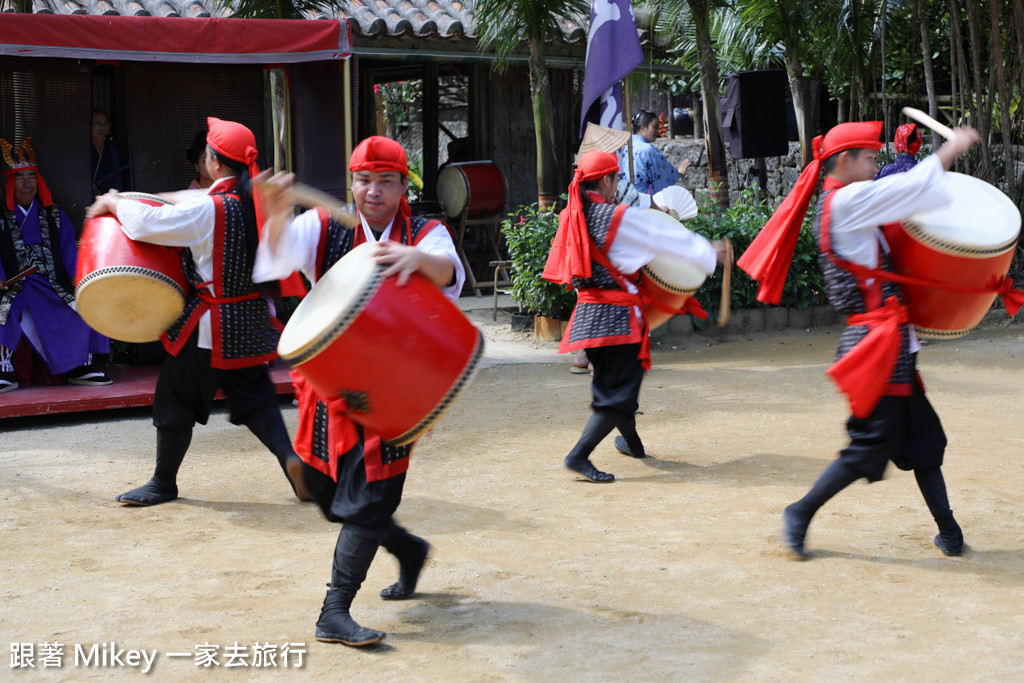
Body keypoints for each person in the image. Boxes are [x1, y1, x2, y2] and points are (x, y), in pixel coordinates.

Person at [735, 121, 982, 560]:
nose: (876, 165)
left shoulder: (846, 200)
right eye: (869, 158)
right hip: (876, 346)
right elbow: (910, 189)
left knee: (923, 438)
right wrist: (953, 148)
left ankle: (950, 532)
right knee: (872, 444)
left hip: (890, 342)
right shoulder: (848, 201)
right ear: (844, 161)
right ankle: (800, 511)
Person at [253, 135, 464, 647]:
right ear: (352, 183)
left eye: (386, 181)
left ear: (401, 185)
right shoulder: (322, 226)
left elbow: (450, 271)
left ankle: (334, 612)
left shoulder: (424, 231)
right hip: (330, 385)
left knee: (371, 496)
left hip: (396, 390)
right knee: (329, 496)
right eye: (364, 180)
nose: (373, 191)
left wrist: (414, 258)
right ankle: (407, 549)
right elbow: (274, 263)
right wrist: (275, 212)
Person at [85, 117, 310, 507]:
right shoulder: (253, 202)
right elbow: (178, 200)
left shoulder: (210, 209)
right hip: (250, 322)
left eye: (206, 153)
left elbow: (148, 225)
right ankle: (291, 460)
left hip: (209, 325)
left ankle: (162, 482)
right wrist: (135, 197)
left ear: (215, 163)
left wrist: (115, 203)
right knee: (256, 400)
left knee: (173, 401)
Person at [542, 150, 727, 483]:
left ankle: (633, 443)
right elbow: (662, 237)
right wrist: (709, 251)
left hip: (588, 318)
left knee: (615, 388)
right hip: (617, 321)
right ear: (606, 180)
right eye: (616, 179)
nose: (618, 186)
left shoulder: (573, 216)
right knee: (620, 394)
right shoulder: (616, 217)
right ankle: (578, 456)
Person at [1, 136, 111, 393]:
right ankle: (4, 369)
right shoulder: (2, 220)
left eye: (31, 176)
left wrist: (79, 279)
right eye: (20, 177)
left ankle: (81, 366)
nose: (27, 183)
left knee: (84, 304)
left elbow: (69, 253)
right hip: (16, 287)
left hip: (53, 285)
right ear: (9, 183)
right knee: (2, 312)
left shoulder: (55, 216)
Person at [622, 110, 689, 196]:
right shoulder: (648, 150)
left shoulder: (627, 148)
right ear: (643, 127)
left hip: (625, 198)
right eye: (655, 127)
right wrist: (679, 173)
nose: (657, 131)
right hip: (643, 199)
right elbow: (666, 172)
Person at [91, 109, 127, 195]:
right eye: (98, 123)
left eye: (106, 123)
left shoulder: (114, 148)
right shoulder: (83, 149)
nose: (103, 127)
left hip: (110, 197)